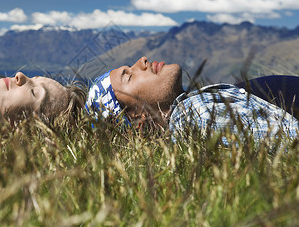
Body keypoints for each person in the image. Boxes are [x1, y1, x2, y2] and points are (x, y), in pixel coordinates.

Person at [85, 56, 298, 143]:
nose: (142, 60)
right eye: (129, 76)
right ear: (138, 120)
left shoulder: (190, 109)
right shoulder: (195, 118)